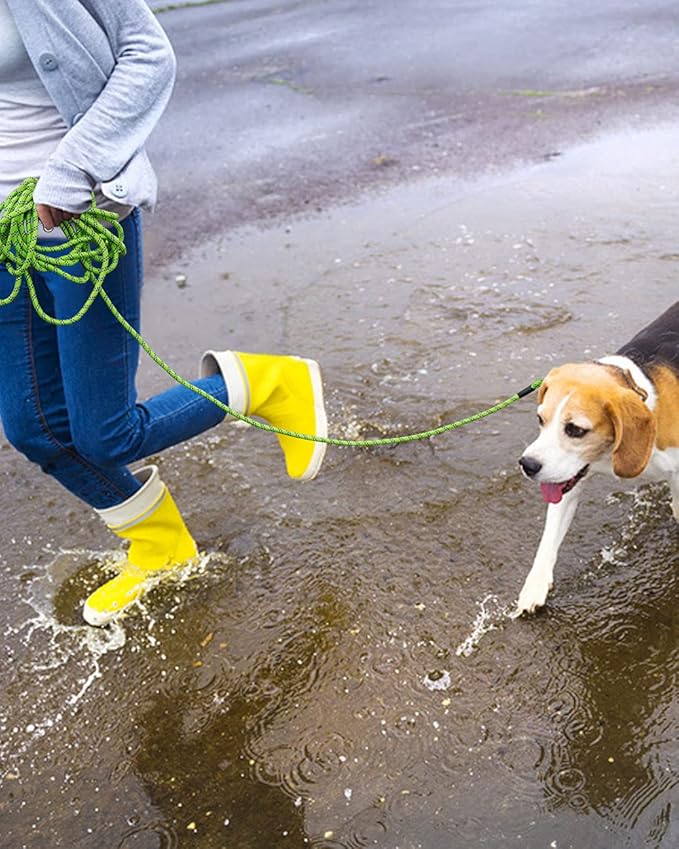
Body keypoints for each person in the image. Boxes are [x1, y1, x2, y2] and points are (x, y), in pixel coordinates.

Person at [0, 0, 327, 626]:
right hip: (4, 240)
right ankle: (160, 544)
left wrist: (72, 172)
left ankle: (265, 383)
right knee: (33, 427)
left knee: (105, 432)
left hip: (82, 215)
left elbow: (149, 54)